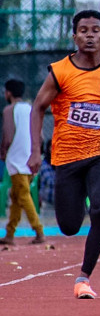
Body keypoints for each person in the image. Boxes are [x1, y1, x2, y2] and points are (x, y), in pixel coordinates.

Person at [28, 9, 100, 299]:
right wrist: (35, 151)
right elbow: (38, 108)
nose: (90, 35)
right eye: (84, 31)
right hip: (66, 158)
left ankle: (83, 277)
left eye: (95, 30)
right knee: (69, 225)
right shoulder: (60, 71)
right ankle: (82, 202)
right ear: (74, 36)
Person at [2, 78, 44, 246]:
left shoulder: (9, 110)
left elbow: (8, 135)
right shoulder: (31, 108)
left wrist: (3, 151)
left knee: (24, 196)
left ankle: (39, 230)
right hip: (31, 158)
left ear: (8, 93)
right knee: (16, 196)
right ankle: (10, 233)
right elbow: (40, 135)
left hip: (17, 159)